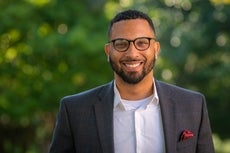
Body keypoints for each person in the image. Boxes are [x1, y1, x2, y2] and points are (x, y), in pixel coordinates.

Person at [49, 10, 214, 153]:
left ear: (156, 49)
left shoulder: (192, 105)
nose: (132, 53)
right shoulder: (75, 111)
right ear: (108, 51)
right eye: (121, 44)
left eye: (142, 42)